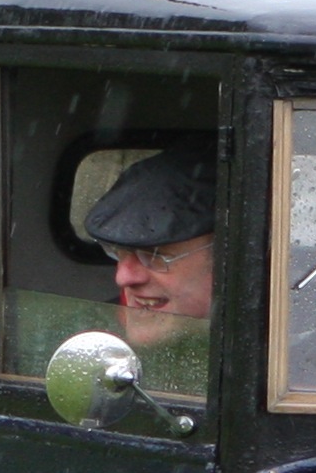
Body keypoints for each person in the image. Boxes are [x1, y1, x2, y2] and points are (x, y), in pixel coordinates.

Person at [80, 146, 218, 356]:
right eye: (119, 252)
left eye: (154, 255)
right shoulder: (88, 341)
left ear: (227, 258)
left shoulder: (280, 360)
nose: (123, 277)